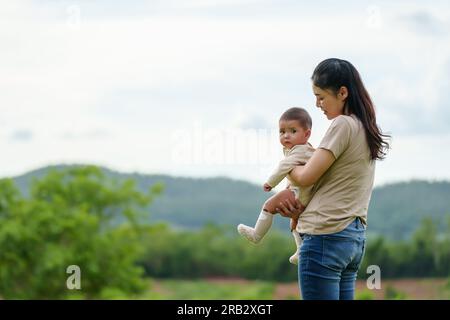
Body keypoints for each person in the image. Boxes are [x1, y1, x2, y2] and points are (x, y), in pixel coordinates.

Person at [276, 58, 390, 300]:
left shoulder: (342, 124)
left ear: (342, 93)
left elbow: (305, 177)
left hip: (324, 237)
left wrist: (288, 162)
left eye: (320, 96)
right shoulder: (365, 127)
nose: (317, 104)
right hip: (353, 238)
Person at [237, 107, 315, 265]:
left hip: (299, 193)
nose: (286, 135)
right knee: (294, 223)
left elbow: (283, 167)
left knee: (268, 205)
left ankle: (256, 235)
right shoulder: (304, 150)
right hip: (302, 193)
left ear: (306, 134)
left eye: (293, 131)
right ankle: (300, 249)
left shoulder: (300, 151)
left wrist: (270, 183)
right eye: (282, 131)